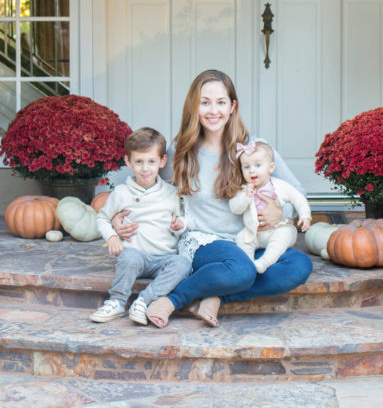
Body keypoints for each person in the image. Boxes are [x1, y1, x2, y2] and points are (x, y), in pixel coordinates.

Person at [112, 70, 313, 329]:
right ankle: (173, 299)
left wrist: (280, 212)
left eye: (221, 102)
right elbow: (144, 184)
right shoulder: (180, 151)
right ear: (194, 106)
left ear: (232, 106)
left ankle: (216, 296)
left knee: (298, 265)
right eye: (204, 102)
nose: (213, 110)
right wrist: (118, 214)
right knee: (241, 269)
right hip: (204, 241)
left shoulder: (254, 148)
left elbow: (297, 191)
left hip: (250, 240)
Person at [89, 127, 191, 325]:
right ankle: (117, 301)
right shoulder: (121, 193)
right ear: (128, 162)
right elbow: (102, 218)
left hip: (164, 258)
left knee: (183, 264)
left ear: (162, 162)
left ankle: (144, 300)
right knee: (128, 257)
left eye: (151, 162)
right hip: (135, 255)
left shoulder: (171, 193)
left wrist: (180, 225)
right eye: (139, 162)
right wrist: (111, 237)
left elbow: (185, 219)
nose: (145, 168)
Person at [231, 140, 312, 274]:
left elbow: (298, 198)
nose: (252, 170)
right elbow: (235, 208)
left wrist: (305, 215)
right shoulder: (244, 190)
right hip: (254, 232)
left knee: (283, 237)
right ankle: (248, 266)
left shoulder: (280, 185)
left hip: (278, 228)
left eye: (257, 165)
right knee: (242, 239)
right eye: (246, 167)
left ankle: (264, 262)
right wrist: (245, 198)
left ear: (271, 167)